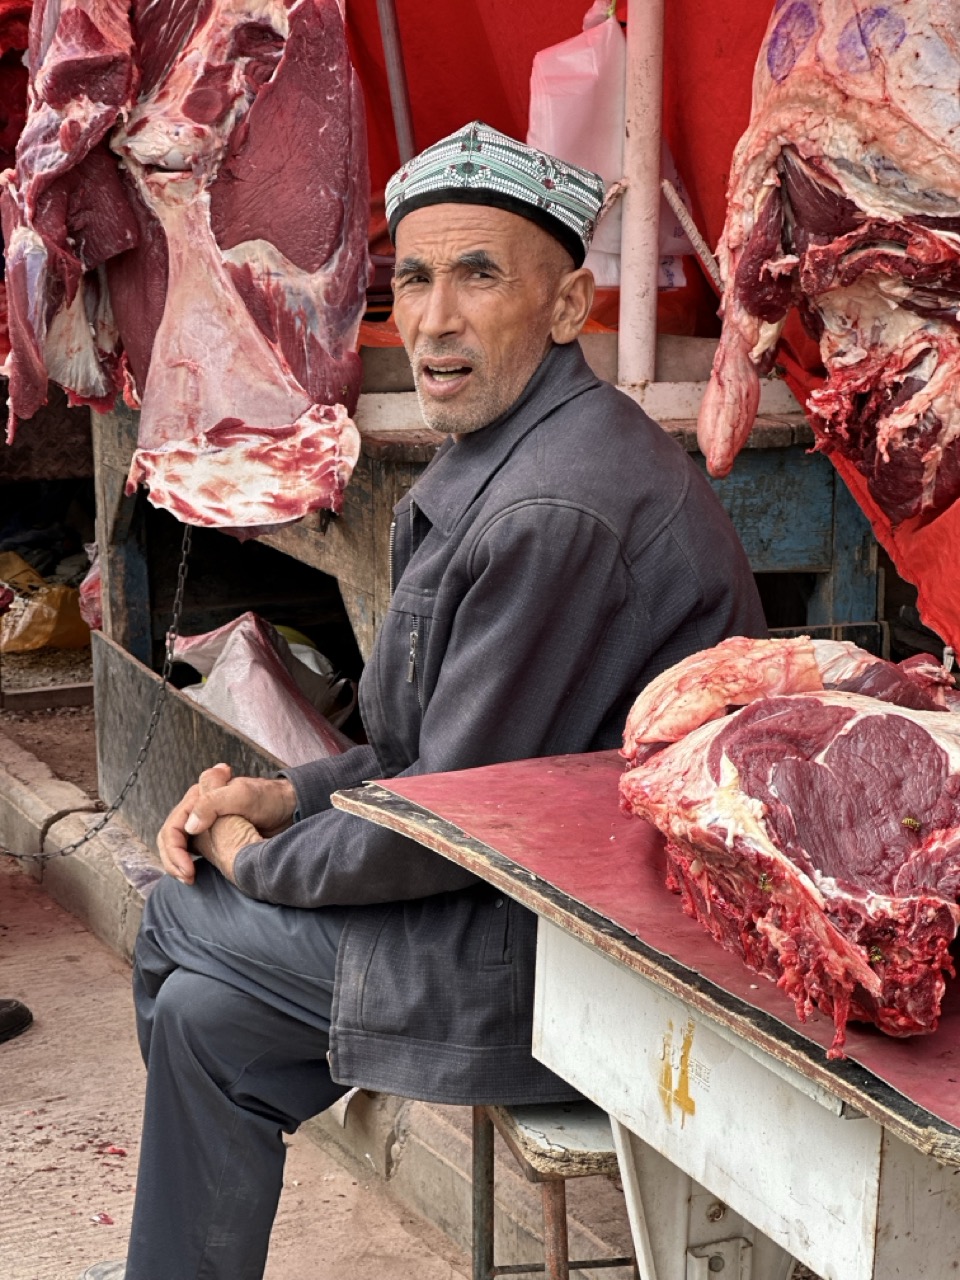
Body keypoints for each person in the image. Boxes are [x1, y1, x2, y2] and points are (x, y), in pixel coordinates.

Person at [81, 121, 766, 1280]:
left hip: (587, 968)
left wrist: (256, 856)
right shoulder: (510, 454)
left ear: (566, 307)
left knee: (179, 913)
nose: (436, 319)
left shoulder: (554, 508)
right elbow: (420, 755)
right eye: (414, 276)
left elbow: (444, 819)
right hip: (506, 906)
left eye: (480, 274)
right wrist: (285, 793)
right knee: (209, 1019)